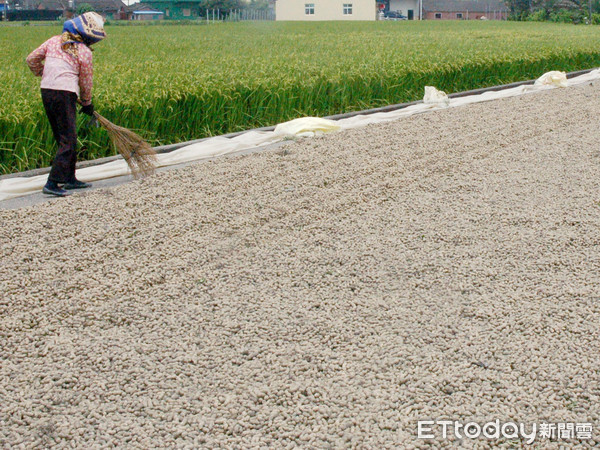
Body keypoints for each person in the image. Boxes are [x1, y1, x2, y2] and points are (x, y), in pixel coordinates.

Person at [26, 12, 106, 197]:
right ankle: (52, 183)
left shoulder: (53, 41)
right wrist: (87, 103)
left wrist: (44, 73)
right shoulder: (84, 52)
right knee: (69, 139)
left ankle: (70, 179)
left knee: (63, 137)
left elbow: (31, 59)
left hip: (47, 91)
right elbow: (86, 81)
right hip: (64, 94)